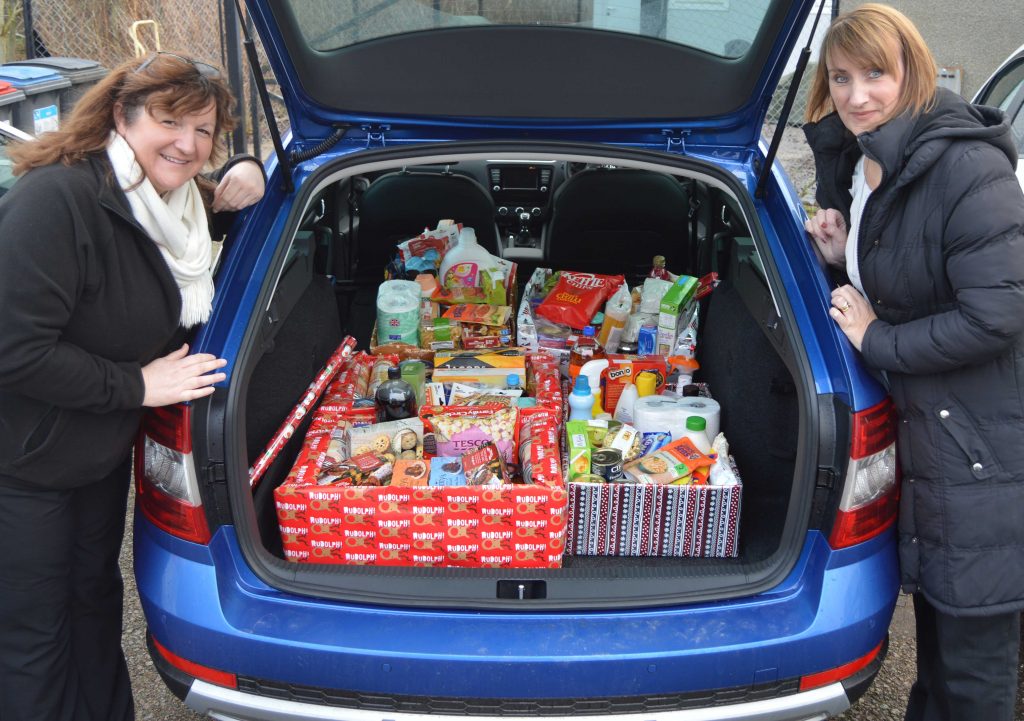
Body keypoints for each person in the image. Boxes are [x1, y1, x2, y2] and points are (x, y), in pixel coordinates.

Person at [0, 52, 265, 721]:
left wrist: (247, 173)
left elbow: (198, 232)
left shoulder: (172, 206)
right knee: (33, 631)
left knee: (93, 605)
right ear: (123, 115)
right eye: (170, 120)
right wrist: (136, 385)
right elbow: (12, 348)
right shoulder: (57, 200)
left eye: (204, 130)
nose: (187, 143)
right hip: (21, 463)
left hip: (93, 455)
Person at [802, 5, 1024, 720]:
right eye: (841, 77)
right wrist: (843, 259)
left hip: (982, 454)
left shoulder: (967, 167)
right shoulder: (874, 165)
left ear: (914, 71)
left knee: (974, 678)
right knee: (935, 666)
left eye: (876, 74)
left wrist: (877, 342)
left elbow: (996, 315)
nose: (857, 94)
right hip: (934, 444)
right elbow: (903, 279)